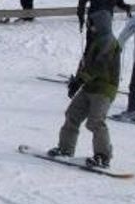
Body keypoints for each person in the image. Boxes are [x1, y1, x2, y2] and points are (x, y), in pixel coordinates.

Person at [49, 10, 121, 168]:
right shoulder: (95, 40)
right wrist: (76, 80)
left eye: (92, 25)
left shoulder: (109, 42)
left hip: (104, 88)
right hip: (89, 86)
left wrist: (82, 79)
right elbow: (85, 64)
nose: (90, 28)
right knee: (72, 115)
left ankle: (103, 156)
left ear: (101, 25)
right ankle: (65, 149)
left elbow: (99, 67)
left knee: (95, 122)